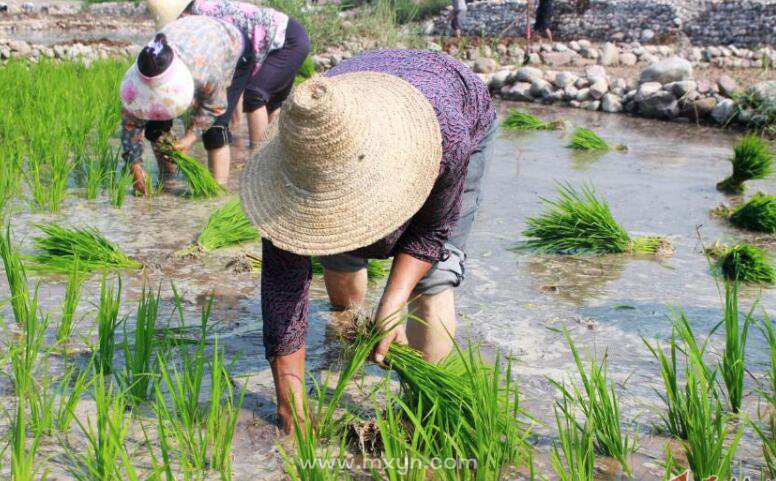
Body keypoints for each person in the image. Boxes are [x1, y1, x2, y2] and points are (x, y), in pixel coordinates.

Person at [239, 49, 496, 433]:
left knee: (431, 280)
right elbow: (282, 290)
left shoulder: (447, 135)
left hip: (444, 109)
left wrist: (393, 299)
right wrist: (289, 406)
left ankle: (425, 413)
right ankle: (352, 328)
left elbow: (431, 233)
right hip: (355, 106)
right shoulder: (296, 150)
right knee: (335, 250)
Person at [148, 0, 311, 147]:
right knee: (271, 103)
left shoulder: (201, 19)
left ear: (182, 15)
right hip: (286, 36)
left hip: (286, 40)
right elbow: (233, 69)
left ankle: (259, 159)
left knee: (254, 97)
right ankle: (277, 154)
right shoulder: (200, 10)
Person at [120, 15, 252, 194]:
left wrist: (190, 137)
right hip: (191, 37)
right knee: (156, 124)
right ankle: (168, 180)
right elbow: (131, 122)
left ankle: (216, 192)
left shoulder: (205, 72)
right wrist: (134, 166)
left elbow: (214, 106)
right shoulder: (145, 66)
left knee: (216, 128)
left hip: (234, 47)